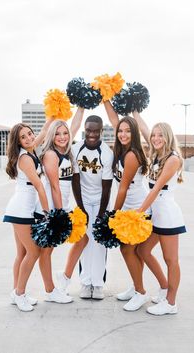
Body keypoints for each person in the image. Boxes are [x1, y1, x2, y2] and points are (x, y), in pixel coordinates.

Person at [133, 111, 186, 315]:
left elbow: (155, 190)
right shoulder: (157, 155)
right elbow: (145, 131)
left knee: (171, 260)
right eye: (154, 135)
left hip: (168, 215)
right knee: (143, 251)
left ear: (168, 137)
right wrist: (135, 112)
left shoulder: (173, 159)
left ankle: (170, 303)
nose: (155, 138)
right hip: (157, 213)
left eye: (160, 135)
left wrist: (139, 212)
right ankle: (165, 288)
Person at [35, 107, 88, 300]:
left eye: (65, 133)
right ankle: (50, 291)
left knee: (82, 239)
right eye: (57, 133)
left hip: (63, 206)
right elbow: (55, 187)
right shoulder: (51, 155)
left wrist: (81, 108)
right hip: (51, 208)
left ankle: (64, 277)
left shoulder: (66, 152)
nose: (63, 136)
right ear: (51, 135)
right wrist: (58, 216)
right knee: (46, 250)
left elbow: (74, 125)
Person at [104, 101, 151, 311]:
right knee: (134, 252)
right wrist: (105, 99)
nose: (122, 134)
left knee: (127, 250)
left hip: (137, 211)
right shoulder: (123, 150)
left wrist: (113, 215)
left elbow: (122, 189)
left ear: (134, 133)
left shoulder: (131, 155)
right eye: (120, 131)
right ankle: (135, 287)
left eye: (127, 131)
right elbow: (115, 119)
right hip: (131, 209)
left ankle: (140, 292)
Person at [3, 120, 52, 312]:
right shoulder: (25, 158)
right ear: (18, 142)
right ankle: (20, 293)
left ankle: (16, 292)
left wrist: (50, 119)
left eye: (29, 134)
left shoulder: (30, 150)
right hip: (21, 210)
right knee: (34, 252)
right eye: (23, 137)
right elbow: (39, 186)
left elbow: (40, 136)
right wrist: (48, 215)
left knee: (22, 254)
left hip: (23, 209)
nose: (29, 138)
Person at [71, 115, 113, 299]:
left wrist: (101, 214)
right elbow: (75, 180)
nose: (92, 134)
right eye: (89, 130)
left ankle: (98, 284)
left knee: (100, 242)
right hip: (83, 199)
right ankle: (85, 283)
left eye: (96, 131)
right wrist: (81, 208)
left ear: (101, 131)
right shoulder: (76, 149)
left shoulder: (107, 153)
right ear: (85, 129)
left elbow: (107, 186)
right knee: (84, 240)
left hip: (102, 200)